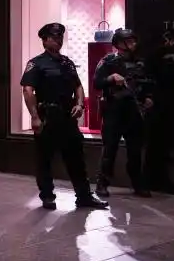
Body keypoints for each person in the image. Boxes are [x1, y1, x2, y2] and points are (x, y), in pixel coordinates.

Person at [21, 22, 108, 211]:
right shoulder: (36, 63)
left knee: (76, 157)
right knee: (45, 159)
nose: (58, 41)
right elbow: (28, 90)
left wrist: (79, 104)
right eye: (54, 37)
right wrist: (34, 116)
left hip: (67, 117)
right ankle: (47, 196)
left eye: (60, 37)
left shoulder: (67, 62)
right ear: (44, 41)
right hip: (47, 116)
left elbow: (78, 86)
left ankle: (84, 196)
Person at [93, 28, 154, 198]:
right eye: (129, 41)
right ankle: (102, 183)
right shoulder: (108, 61)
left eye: (134, 40)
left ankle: (137, 184)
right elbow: (97, 83)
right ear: (119, 44)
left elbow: (147, 83)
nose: (133, 44)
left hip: (134, 111)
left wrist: (148, 97)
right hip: (114, 110)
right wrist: (111, 78)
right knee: (109, 149)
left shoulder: (140, 62)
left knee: (135, 151)